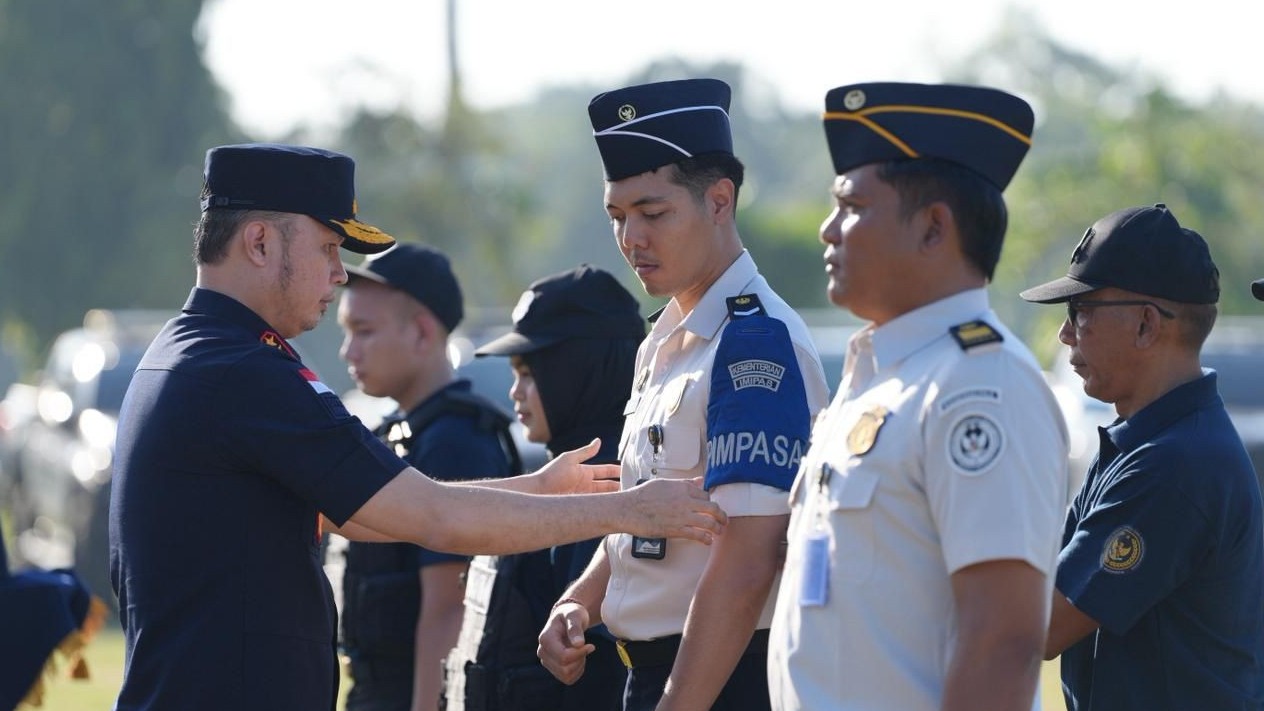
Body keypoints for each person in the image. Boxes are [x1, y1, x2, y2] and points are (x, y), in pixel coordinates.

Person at [107, 142, 727, 711]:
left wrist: (539, 489)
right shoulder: (240, 369)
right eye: (328, 248)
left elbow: (370, 512)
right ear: (261, 243)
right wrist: (629, 511)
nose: (340, 273)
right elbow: (432, 517)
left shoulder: (202, 354)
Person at [767, 82, 1070, 711]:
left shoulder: (981, 385)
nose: (828, 230)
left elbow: (1003, 641)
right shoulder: (879, 376)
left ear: (934, 228)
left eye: (851, 206)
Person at [537, 78, 830, 711]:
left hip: (721, 679)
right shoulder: (671, 339)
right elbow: (652, 525)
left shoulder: (753, 343)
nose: (630, 239)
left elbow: (749, 558)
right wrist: (579, 602)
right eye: (617, 217)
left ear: (719, 201)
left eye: (653, 212)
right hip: (660, 675)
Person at [1019, 203, 1264, 710]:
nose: (1066, 334)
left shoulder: (1173, 464)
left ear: (1147, 325)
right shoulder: (1151, 443)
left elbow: (1041, 626)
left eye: (1081, 312)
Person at [442, 264, 642, 711]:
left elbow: (599, 669)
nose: (515, 393)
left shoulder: (603, 478)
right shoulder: (564, 470)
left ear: (577, 370)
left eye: (529, 373)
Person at [336, 243, 520, 711]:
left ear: (421, 333)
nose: (347, 350)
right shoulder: (403, 432)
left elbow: (448, 609)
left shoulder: (455, 442)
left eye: (364, 331)